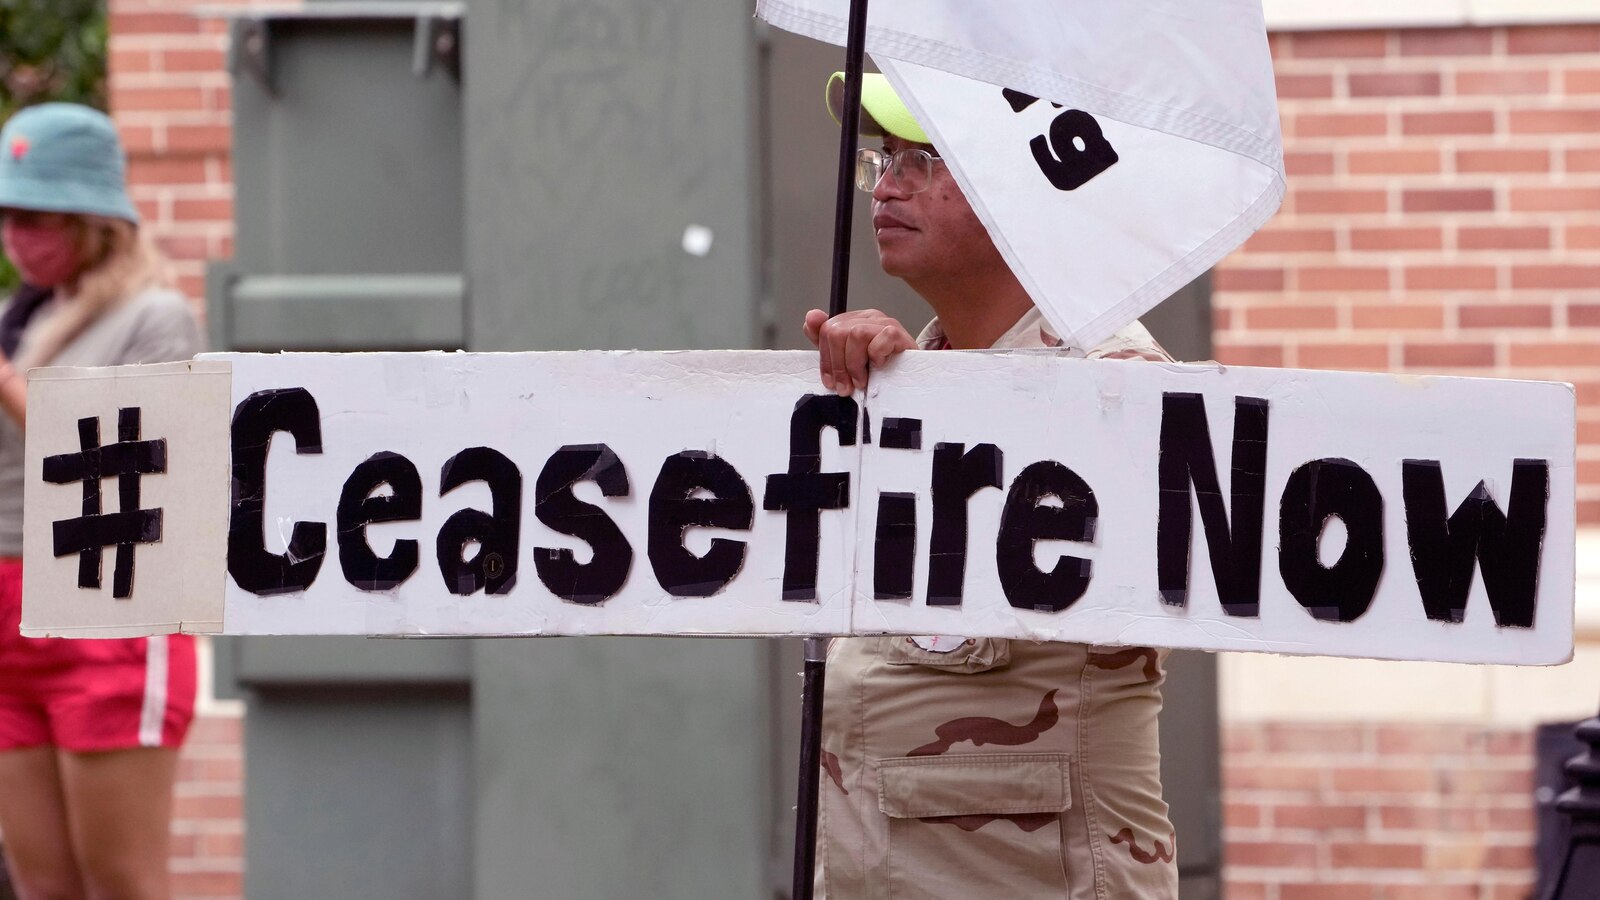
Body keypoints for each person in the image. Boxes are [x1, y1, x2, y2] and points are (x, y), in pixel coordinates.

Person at [805, 74, 1179, 899]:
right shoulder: (909, 376)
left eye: (921, 158)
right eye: (884, 160)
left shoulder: (1113, 381)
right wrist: (897, 402)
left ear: (1021, 191)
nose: (887, 183)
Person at [0, 102, 203, 900]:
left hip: (107, 601)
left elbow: (142, 458)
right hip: (12, 609)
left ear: (93, 219)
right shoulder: (24, 317)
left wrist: (12, 389)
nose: (17, 238)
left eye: (37, 218)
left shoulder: (154, 318)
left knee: (122, 881)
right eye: (7, 218)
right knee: (42, 884)